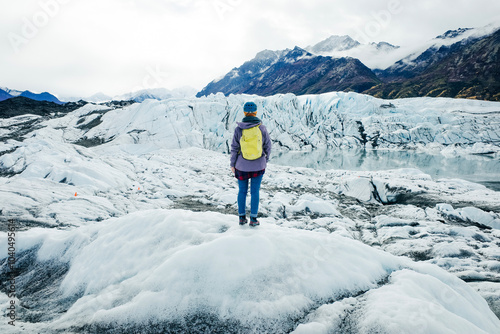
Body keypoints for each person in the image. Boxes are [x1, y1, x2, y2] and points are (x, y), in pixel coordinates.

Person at [230, 101, 272, 226]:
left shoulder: (239, 129)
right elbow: (268, 146)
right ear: (255, 112)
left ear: (244, 112)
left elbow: (234, 148)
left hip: (241, 166)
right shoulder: (261, 128)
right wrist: (265, 160)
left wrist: (233, 164)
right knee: (255, 191)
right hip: (258, 166)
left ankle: (242, 218)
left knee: (242, 191)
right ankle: (253, 219)